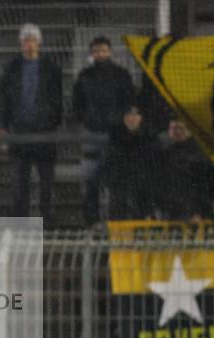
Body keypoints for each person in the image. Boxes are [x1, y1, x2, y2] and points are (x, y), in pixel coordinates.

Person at [0, 23, 63, 221]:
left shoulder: (50, 68)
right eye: (26, 41)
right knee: (20, 182)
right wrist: (3, 126)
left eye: (33, 40)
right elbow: (3, 99)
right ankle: (21, 222)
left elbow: (57, 98)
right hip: (20, 131)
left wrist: (53, 123)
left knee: (47, 181)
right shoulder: (12, 68)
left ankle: (47, 222)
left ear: (39, 43)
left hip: (44, 131)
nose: (29, 44)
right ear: (21, 44)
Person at [72, 36, 135, 225]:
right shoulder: (85, 76)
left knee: (117, 182)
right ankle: (92, 223)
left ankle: (115, 224)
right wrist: (85, 119)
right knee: (91, 181)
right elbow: (77, 103)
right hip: (93, 134)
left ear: (109, 52)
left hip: (116, 136)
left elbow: (129, 101)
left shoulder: (121, 75)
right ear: (92, 53)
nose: (101, 54)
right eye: (97, 51)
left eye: (104, 50)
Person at [102, 106, 159, 220]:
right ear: (124, 118)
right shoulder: (116, 138)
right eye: (129, 115)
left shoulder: (149, 138)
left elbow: (153, 167)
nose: (132, 118)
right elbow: (110, 163)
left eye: (135, 115)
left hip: (143, 188)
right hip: (120, 187)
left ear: (140, 118)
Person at [156, 120, 214, 221]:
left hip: (192, 212)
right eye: (173, 128)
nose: (177, 132)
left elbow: (204, 185)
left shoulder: (200, 152)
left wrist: (197, 211)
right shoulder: (163, 152)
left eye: (180, 128)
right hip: (170, 211)